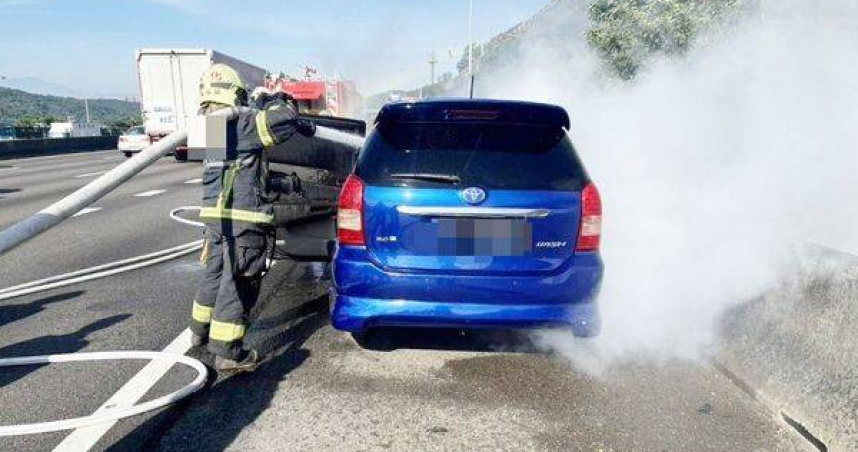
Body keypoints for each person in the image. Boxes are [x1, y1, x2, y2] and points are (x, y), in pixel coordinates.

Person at [189, 64, 315, 373]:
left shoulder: (206, 127)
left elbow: (239, 168)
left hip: (217, 216)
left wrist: (275, 183)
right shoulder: (241, 123)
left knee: (216, 273)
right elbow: (283, 120)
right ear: (235, 93)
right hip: (242, 219)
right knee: (240, 279)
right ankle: (228, 351)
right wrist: (276, 99)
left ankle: (199, 332)